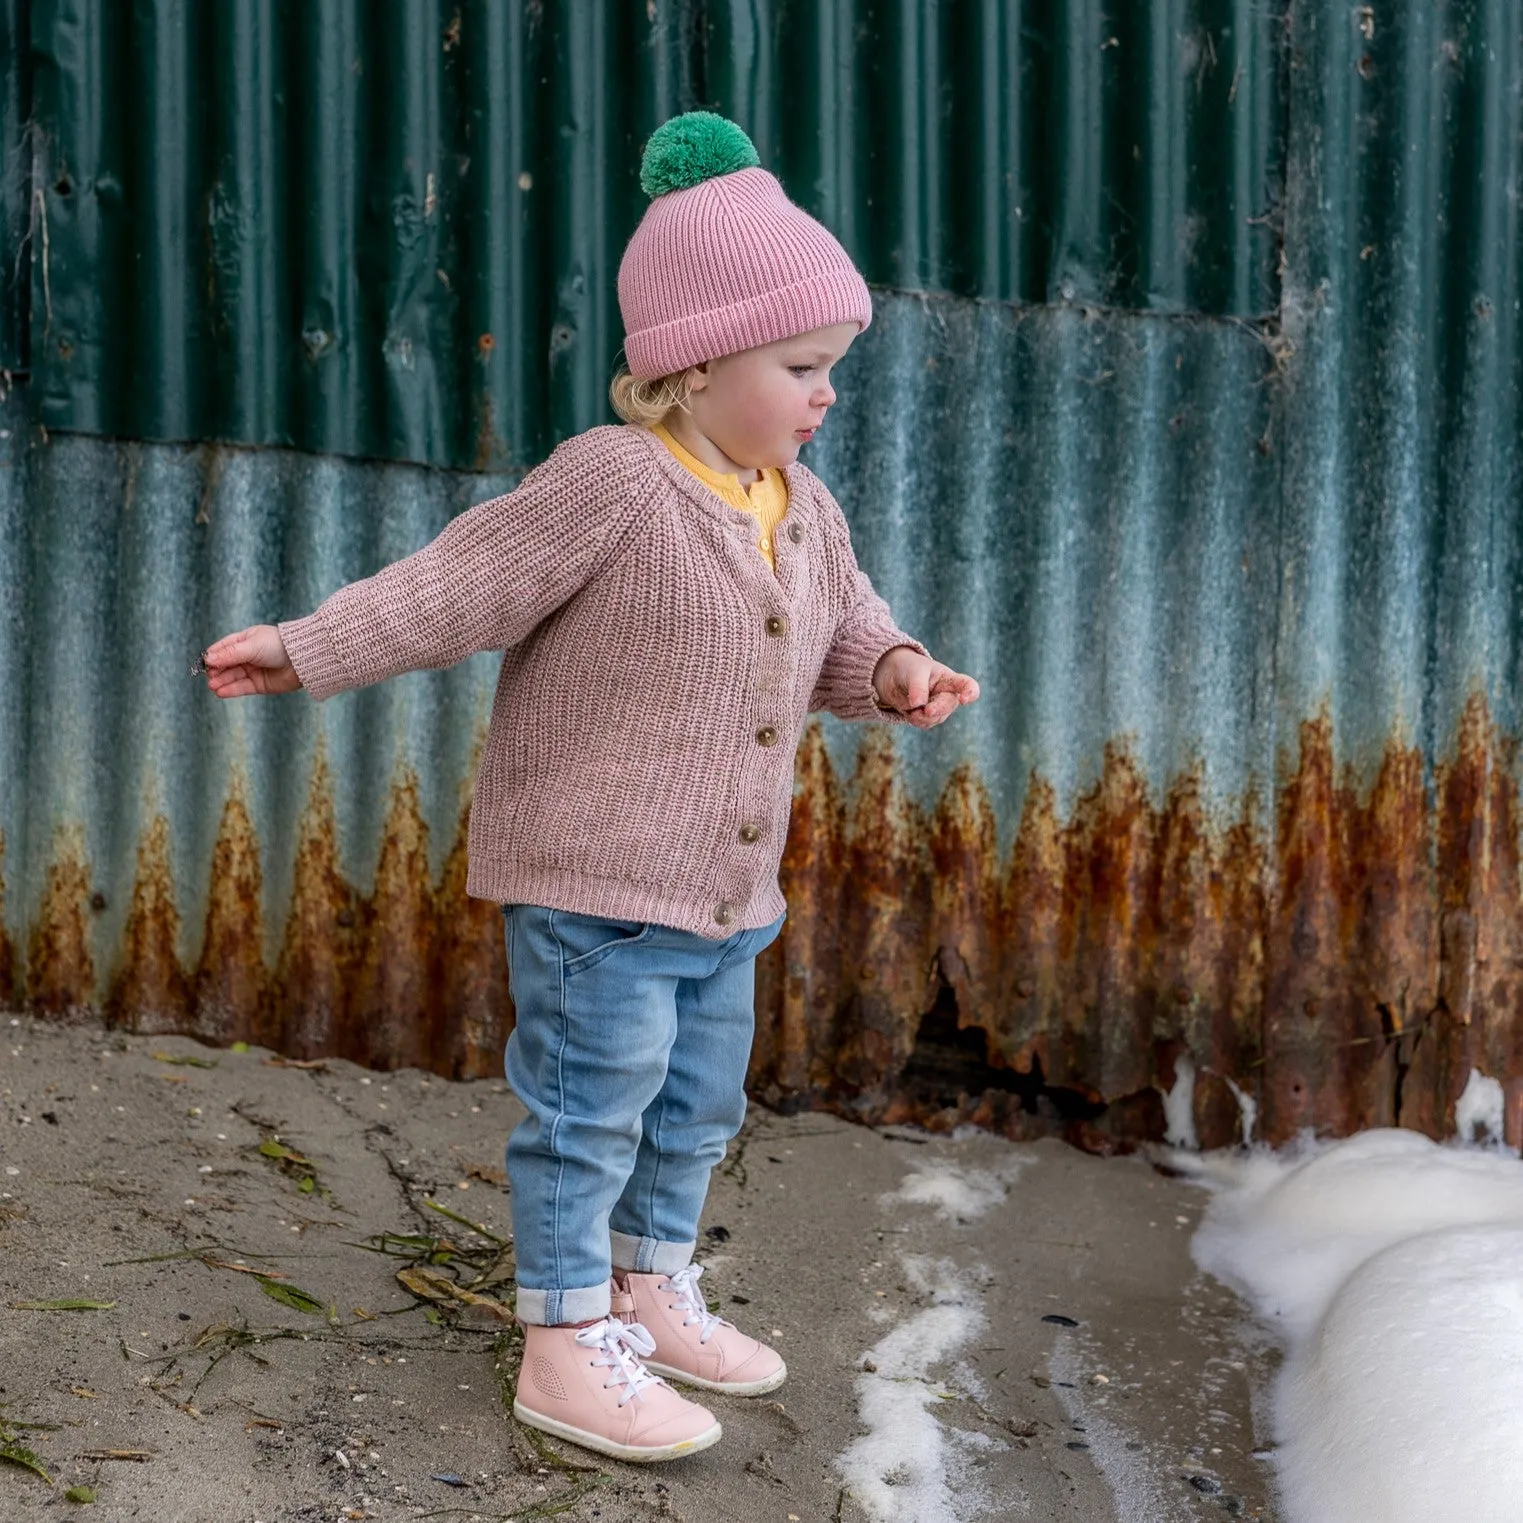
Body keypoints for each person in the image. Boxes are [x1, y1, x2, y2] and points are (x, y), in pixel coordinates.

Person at [203, 111, 979, 1464]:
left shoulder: (797, 498)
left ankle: (647, 1287)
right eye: (800, 365)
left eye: (830, 367)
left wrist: (895, 667)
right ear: (688, 364)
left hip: (724, 895)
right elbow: (459, 582)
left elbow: (841, 618)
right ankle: (563, 1339)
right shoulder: (614, 482)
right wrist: (312, 644)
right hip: (592, 882)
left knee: (696, 1103)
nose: (824, 394)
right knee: (590, 1101)